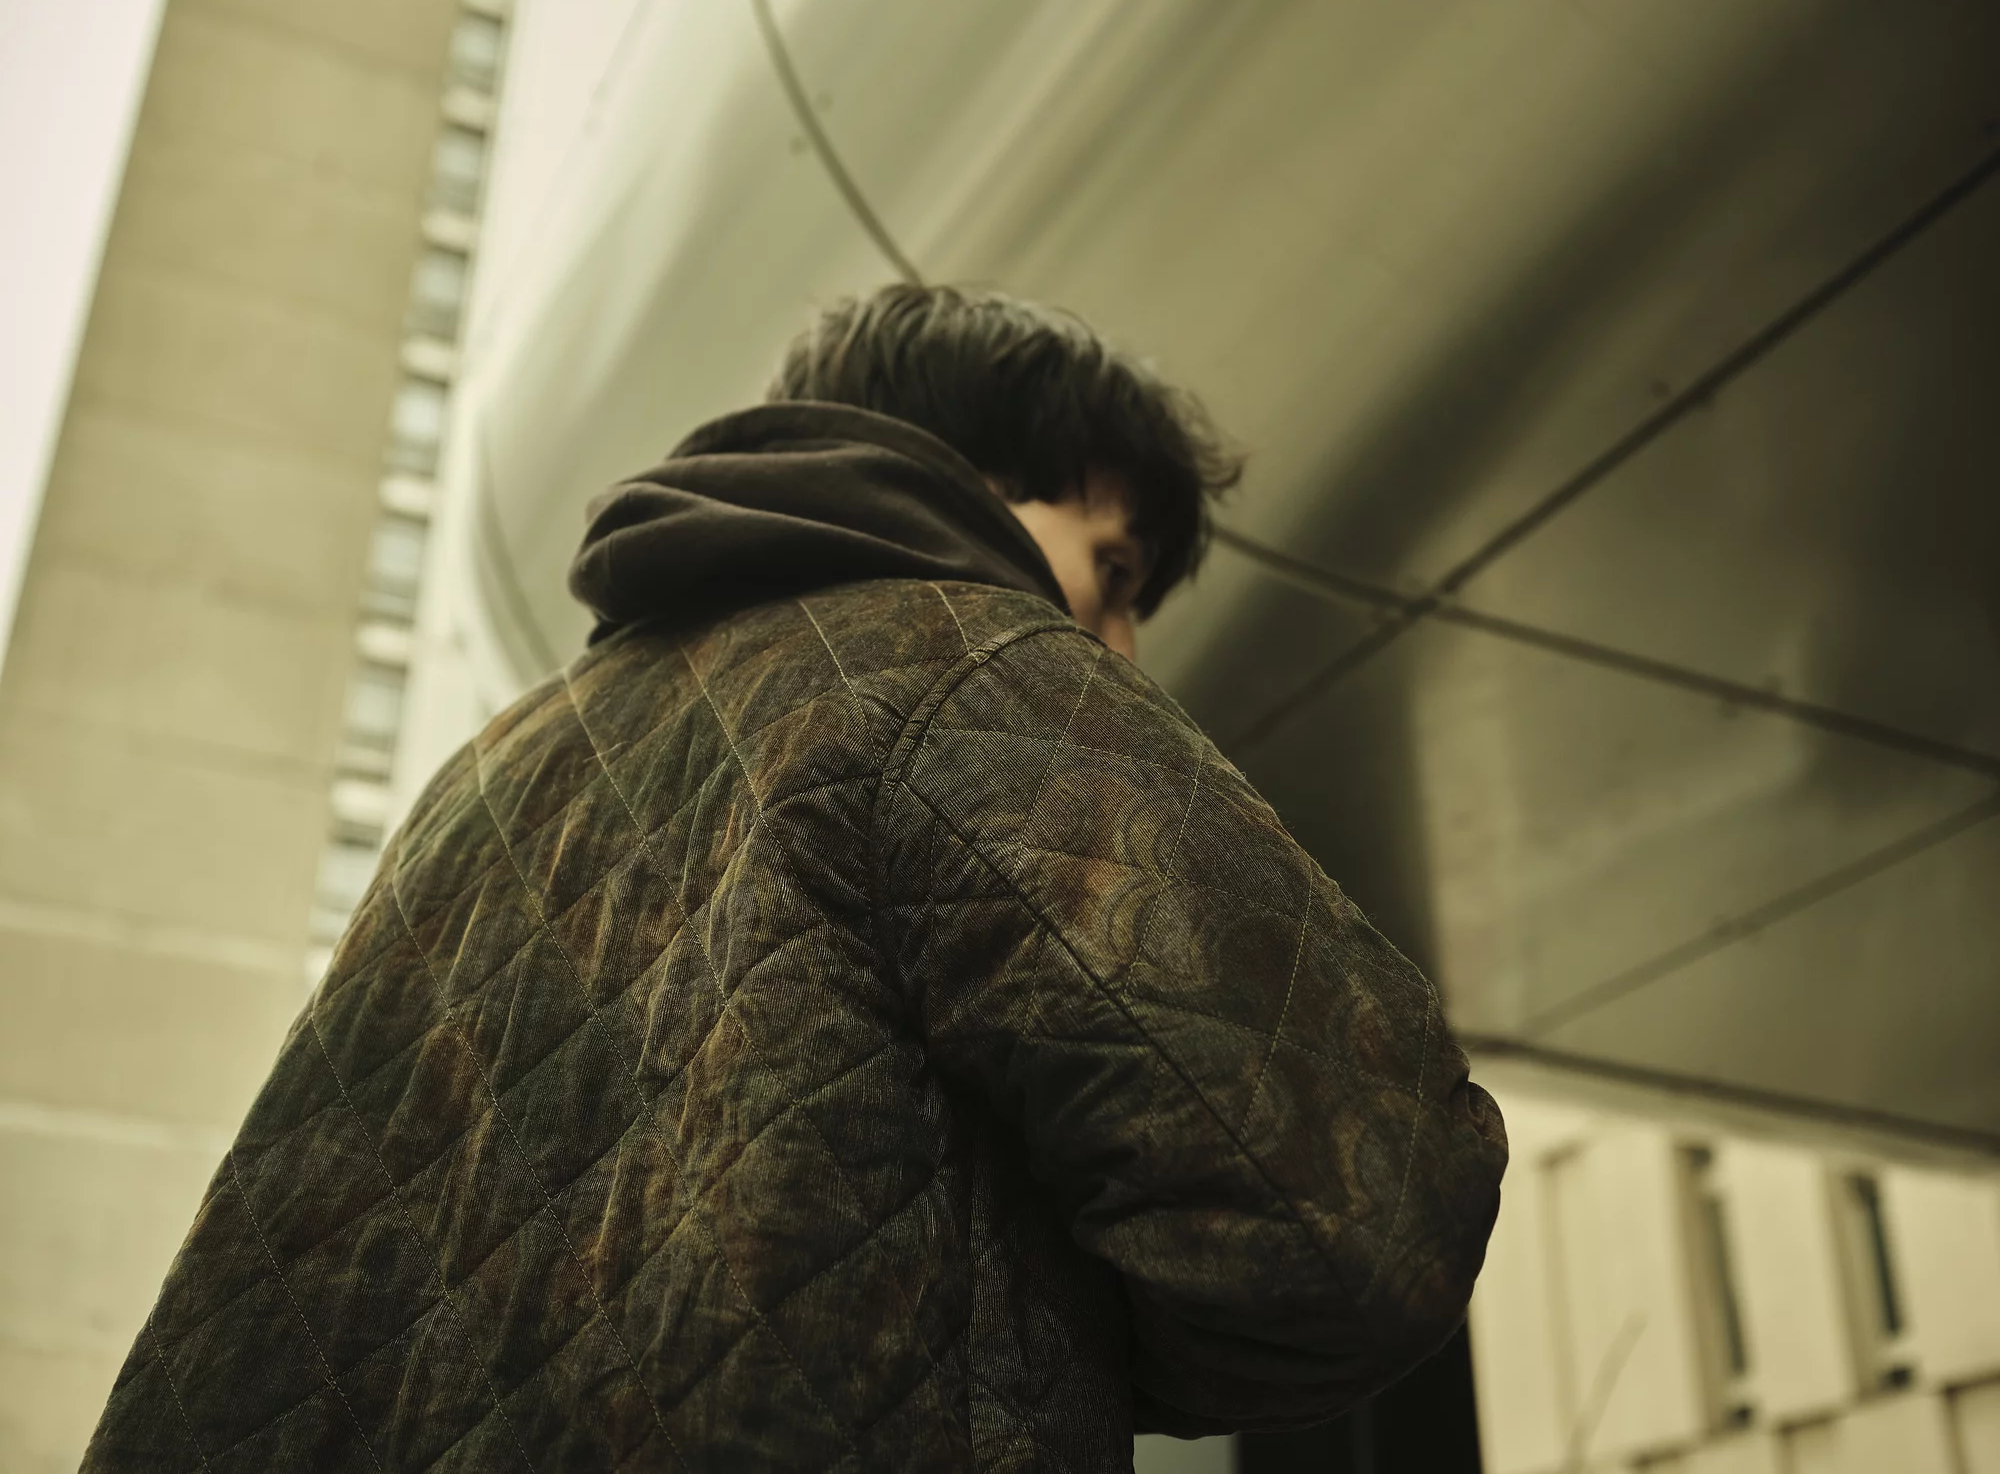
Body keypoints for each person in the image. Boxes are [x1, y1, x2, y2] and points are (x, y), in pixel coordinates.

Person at [84, 284, 1506, 1471]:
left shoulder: (483, 775)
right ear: (967, 475)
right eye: (1116, 570)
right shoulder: (974, 665)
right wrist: (1030, 1341)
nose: (1124, 644)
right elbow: (1358, 1220)